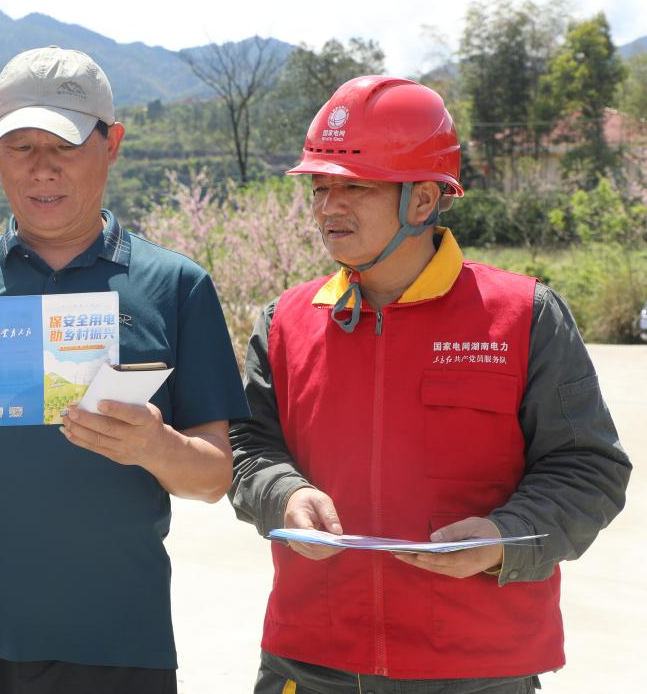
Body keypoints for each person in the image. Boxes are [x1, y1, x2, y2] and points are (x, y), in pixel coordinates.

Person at [0, 46, 252, 694]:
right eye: (20, 147)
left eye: (64, 145)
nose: (42, 169)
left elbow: (213, 477)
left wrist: (155, 447)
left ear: (113, 144)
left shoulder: (174, 286)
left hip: (115, 639)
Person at [229, 75, 632, 693]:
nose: (328, 207)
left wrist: (504, 537)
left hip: (479, 667)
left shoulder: (524, 316)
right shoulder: (286, 322)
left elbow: (588, 470)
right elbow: (248, 447)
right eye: (320, 186)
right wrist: (281, 493)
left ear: (422, 200)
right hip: (312, 662)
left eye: (355, 187)